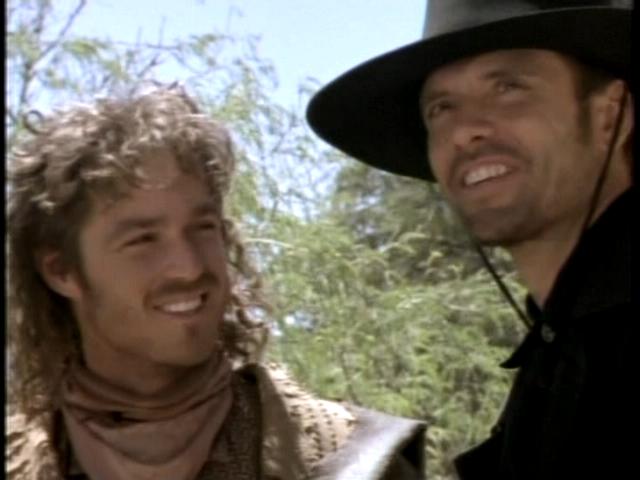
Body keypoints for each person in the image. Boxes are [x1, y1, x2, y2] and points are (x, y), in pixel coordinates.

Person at [6, 84, 427, 480]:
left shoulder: (351, 460)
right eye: (143, 239)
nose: (189, 268)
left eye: (202, 228)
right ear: (61, 271)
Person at [306, 1, 634, 479]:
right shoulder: (557, 353)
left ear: (610, 116)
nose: (464, 131)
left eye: (508, 87)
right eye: (441, 108)